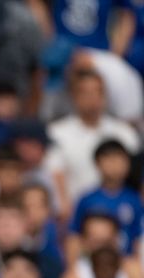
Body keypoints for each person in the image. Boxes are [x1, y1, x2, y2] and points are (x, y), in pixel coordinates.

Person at [45, 69, 139, 207]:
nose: (93, 98)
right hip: (76, 213)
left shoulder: (124, 133)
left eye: (98, 92)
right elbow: (55, 173)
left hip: (120, 211)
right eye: (86, 93)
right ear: (74, 96)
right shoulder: (57, 133)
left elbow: (137, 175)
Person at [67, 140, 142, 261]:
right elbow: (75, 236)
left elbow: (137, 239)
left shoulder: (134, 199)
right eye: (109, 160)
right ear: (97, 163)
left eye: (120, 159)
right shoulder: (87, 199)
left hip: (124, 263)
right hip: (93, 264)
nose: (115, 165)